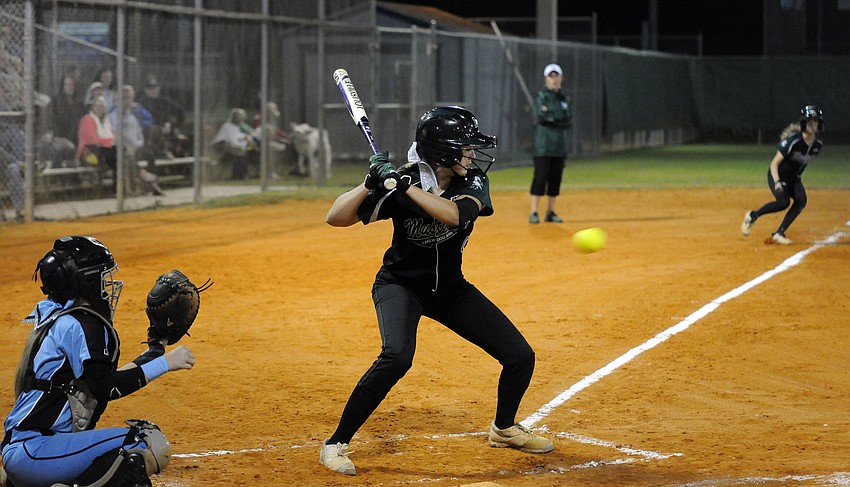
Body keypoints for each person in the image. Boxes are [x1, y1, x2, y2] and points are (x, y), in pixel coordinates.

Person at [321, 106, 554, 476]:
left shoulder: (471, 182)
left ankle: (504, 429)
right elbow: (336, 217)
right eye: (465, 147)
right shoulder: (402, 181)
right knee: (397, 357)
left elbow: (456, 215)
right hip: (400, 285)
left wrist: (405, 188)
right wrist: (369, 183)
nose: (472, 154)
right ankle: (336, 443)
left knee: (520, 356)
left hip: (449, 289)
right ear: (443, 152)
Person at [0, 236, 195, 487]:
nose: (108, 284)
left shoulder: (60, 317)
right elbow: (106, 388)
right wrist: (167, 363)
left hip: (33, 452)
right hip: (37, 451)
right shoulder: (82, 324)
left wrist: (157, 346)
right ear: (86, 280)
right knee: (144, 443)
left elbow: (102, 382)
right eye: (103, 276)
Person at [741, 105, 825, 245]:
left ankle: (779, 233)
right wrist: (777, 182)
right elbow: (774, 164)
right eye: (810, 121)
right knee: (783, 202)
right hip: (777, 174)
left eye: (815, 121)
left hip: (793, 177)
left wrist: (795, 181)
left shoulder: (817, 145)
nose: (813, 124)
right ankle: (752, 216)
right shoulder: (794, 141)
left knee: (801, 200)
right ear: (804, 122)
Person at [529, 63, 573, 224]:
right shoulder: (541, 97)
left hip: (559, 147)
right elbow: (541, 117)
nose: (554, 80)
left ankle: (550, 212)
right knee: (540, 178)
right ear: (546, 79)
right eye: (551, 76)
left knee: (555, 179)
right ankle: (534, 212)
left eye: (556, 76)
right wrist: (556, 118)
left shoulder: (565, 99)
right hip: (543, 146)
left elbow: (568, 120)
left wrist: (552, 117)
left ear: (561, 78)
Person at [76, 95, 117, 193]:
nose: (100, 108)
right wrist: (110, 141)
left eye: (102, 106)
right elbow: (93, 140)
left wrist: (112, 141)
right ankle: (117, 188)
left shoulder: (106, 121)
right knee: (116, 155)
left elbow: (114, 136)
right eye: (97, 106)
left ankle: (117, 188)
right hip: (89, 155)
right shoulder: (87, 119)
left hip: (104, 152)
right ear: (92, 107)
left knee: (120, 154)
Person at [211, 108, 255, 180]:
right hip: (221, 150)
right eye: (238, 117)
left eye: (241, 117)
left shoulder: (237, 127)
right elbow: (232, 141)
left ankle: (241, 175)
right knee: (238, 150)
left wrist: (246, 141)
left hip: (232, 150)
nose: (240, 119)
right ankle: (239, 175)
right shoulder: (227, 126)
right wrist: (244, 143)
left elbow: (239, 139)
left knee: (243, 150)